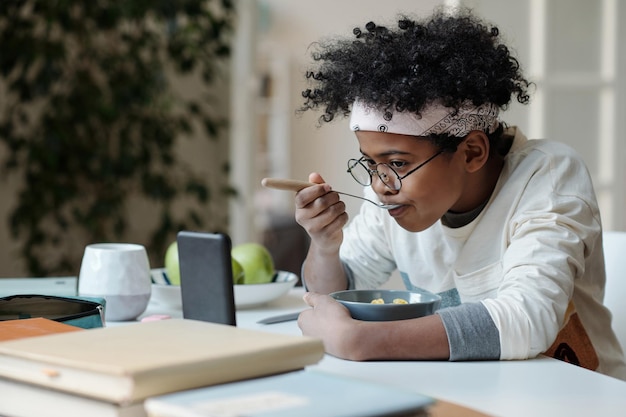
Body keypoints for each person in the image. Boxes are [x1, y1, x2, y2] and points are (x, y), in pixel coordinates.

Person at [292, 7, 626, 380]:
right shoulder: (393, 194)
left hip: (579, 395)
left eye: (399, 163)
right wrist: (324, 246)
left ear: (472, 152)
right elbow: (338, 296)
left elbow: (527, 318)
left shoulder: (548, 176)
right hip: (477, 387)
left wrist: (362, 341)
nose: (379, 184)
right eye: (370, 162)